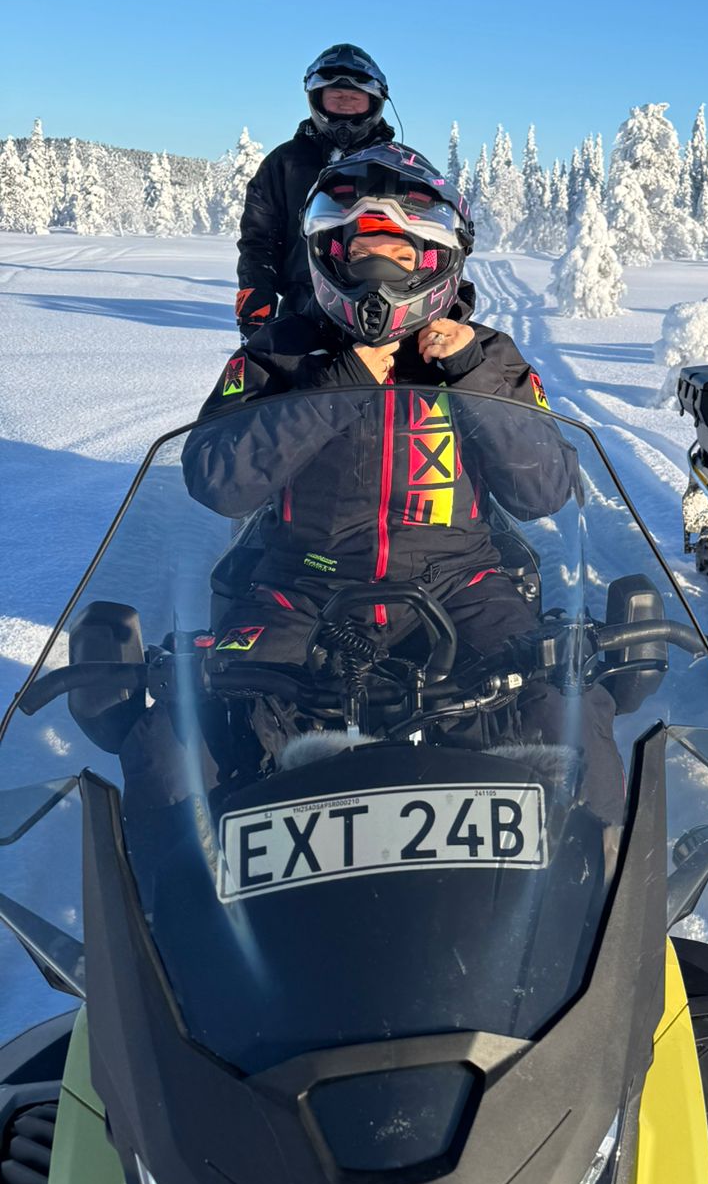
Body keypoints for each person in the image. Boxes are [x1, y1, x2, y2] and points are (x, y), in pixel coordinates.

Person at [183, 142, 610, 787]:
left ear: (433, 261)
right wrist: (336, 385)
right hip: (302, 581)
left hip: (461, 581)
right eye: (360, 252)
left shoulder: (489, 355)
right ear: (333, 256)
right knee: (203, 729)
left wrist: (475, 377)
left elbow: (545, 489)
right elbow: (216, 477)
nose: (379, 268)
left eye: (400, 253)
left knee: (562, 708)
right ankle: (188, 882)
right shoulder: (284, 352)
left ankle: (598, 872)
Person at [234, 43, 394, 331]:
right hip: (303, 306)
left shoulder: (397, 165)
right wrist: (256, 293)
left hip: (384, 305)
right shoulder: (284, 162)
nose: (345, 103)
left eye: (354, 97)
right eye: (337, 97)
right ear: (318, 100)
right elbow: (258, 239)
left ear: (374, 101)